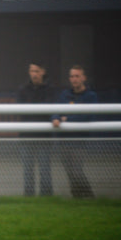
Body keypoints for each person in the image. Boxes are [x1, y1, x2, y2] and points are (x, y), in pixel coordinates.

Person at [52, 65, 98, 198]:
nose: (74, 79)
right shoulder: (64, 95)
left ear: (84, 78)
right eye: (72, 76)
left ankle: (89, 196)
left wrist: (67, 119)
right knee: (69, 171)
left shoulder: (91, 96)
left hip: (79, 140)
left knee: (76, 170)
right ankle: (77, 198)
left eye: (77, 76)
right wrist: (56, 118)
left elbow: (87, 116)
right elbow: (56, 111)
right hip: (64, 140)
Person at [16, 62, 57, 196]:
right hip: (26, 135)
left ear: (43, 72)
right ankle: (29, 197)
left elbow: (49, 108)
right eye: (32, 71)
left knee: (44, 169)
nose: (34, 74)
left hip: (44, 135)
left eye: (37, 71)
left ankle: (47, 197)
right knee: (28, 170)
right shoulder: (22, 89)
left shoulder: (50, 89)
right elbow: (21, 111)